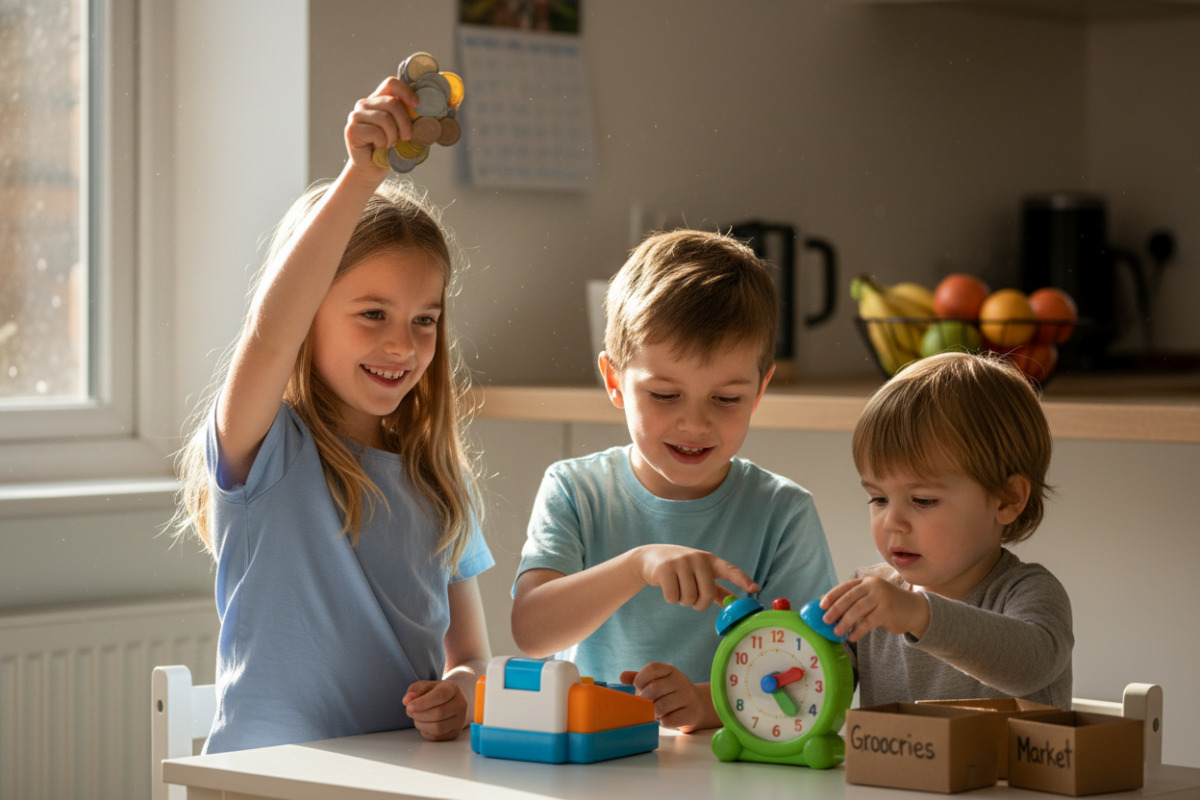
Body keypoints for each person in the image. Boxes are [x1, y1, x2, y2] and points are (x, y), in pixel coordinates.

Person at [171, 77, 493, 753]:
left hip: (400, 780)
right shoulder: (268, 453)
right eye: (372, 314)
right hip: (268, 786)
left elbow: (472, 655)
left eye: (424, 319)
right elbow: (267, 334)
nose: (403, 344)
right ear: (309, 316)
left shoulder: (439, 479)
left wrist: (460, 694)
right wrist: (360, 176)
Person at [511, 230, 837, 733]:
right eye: (665, 395)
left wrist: (707, 703)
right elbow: (532, 632)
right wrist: (639, 563)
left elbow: (817, 671)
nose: (695, 424)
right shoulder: (575, 489)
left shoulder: (783, 512)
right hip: (593, 763)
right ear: (615, 382)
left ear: (759, 390)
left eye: (726, 399)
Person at [818, 351, 1072, 708]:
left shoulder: (1026, 592)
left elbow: (1032, 666)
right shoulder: (874, 600)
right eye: (878, 499)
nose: (892, 522)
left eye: (922, 500)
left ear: (1006, 500)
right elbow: (813, 688)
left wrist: (918, 614)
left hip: (1007, 767)